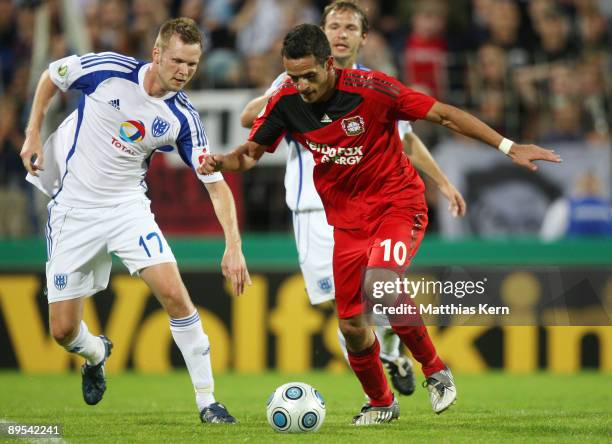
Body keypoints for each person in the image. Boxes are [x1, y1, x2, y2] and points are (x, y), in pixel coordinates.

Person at [199, 23, 561, 425]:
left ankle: (435, 370)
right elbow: (250, 153)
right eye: (294, 76)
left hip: (397, 206)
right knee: (352, 325)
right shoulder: (286, 100)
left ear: (329, 64)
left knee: (381, 284)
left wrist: (509, 147)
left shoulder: (373, 89)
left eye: (309, 76)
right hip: (347, 224)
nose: (301, 85)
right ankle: (381, 402)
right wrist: (223, 161)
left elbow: (443, 114)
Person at [20, 18, 250, 424]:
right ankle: (95, 353)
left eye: (193, 65)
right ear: (157, 53)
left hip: (127, 209)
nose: (184, 71)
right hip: (73, 209)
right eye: (178, 60)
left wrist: (234, 245)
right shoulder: (108, 70)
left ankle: (208, 401)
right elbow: (51, 76)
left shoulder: (182, 118)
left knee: (176, 296)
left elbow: (216, 186)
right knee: (61, 331)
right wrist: (33, 132)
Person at [240, 0, 466, 400]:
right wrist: (280, 91)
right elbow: (248, 122)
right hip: (311, 210)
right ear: (322, 35)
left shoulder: (374, 85)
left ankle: (387, 373)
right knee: (345, 312)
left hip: (367, 208)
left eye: (349, 27)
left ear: (364, 37)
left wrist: (443, 183)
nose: (340, 34)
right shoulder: (296, 79)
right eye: (333, 26)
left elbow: (407, 141)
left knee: (376, 295)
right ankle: (389, 367)